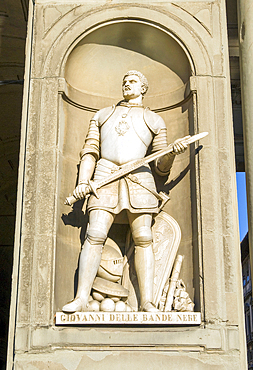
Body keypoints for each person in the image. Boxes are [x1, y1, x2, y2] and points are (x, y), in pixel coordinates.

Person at [62, 70, 187, 313]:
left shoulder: (154, 119)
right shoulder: (103, 114)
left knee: (144, 238)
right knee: (94, 234)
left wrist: (172, 153)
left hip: (140, 177)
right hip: (104, 174)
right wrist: (83, 181)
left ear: (143, 88)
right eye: (124, 81)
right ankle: (81, 297)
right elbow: (90, 151)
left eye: (133, 81)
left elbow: (161, 168)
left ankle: (147, 301)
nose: (127, 84)